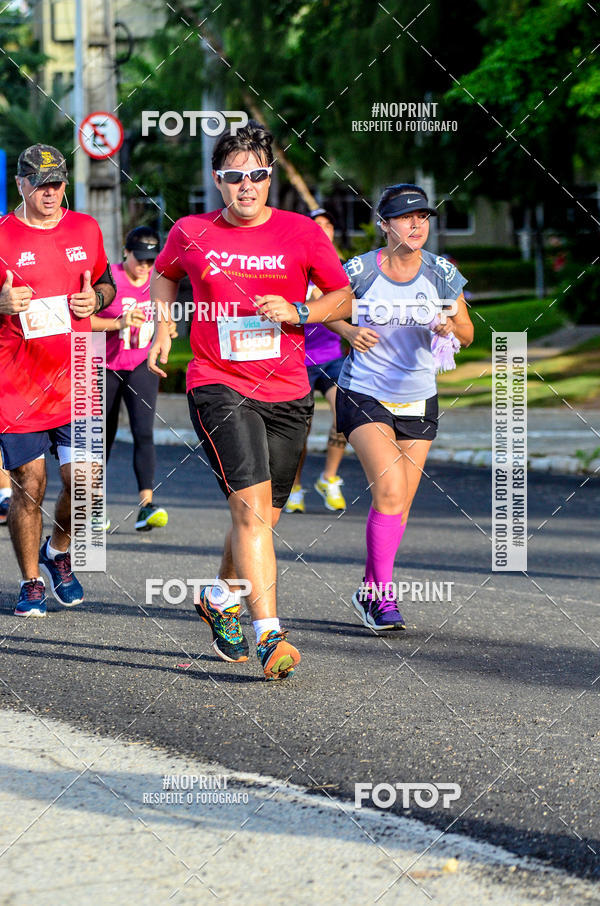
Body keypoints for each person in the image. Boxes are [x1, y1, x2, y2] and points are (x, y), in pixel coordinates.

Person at [148, 120, 352, 679]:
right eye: (235, 176)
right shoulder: (191, 231)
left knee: (262, 515)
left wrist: (301, 311)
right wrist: (164, 323)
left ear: (269, 178)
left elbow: (343, 297)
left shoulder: (301, 233)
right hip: (218, 382)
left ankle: (219, 596)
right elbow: (164, 274)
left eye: (258, 175)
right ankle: (270, 636)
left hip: (289, 390)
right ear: (218, 180)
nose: (247, 185)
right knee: (252, 511)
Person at [332, 183, 473, 631]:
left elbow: (468, 333)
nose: (417, 224)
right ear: (384, 225)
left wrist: (449, 325)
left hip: (419, 396)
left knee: (400, 505)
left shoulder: (441, 273)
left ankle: (368, 591)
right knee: (390, 491)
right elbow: (324, 309)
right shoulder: (359, 270)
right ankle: (382, 599)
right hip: (364, 391)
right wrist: (349, 331)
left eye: (423, 217)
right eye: (406, 217)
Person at [0, 144, 116, 617]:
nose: (50, 192)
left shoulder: (86, 228)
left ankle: (58, 550)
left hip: (79, 373)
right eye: (40, 183)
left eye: (57, 183)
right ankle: (31, 581)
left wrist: (98, 301)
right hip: (17, 382)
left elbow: (106, 282)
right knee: (30, 484)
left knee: (87, 486)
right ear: (21, 184)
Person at [91, 226, 173, 532]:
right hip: (105, 366)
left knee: (144, 433)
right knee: (103, 436)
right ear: (126, 252)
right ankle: (95, 506)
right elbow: (84, 321)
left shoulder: (158, 282)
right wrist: (119, 322)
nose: (145, 266)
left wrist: (167, 329)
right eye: (139, 258)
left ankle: (146, 506)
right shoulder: (108, 279)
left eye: (151, 261)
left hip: (140, 365)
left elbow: (167, 320)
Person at [285, 208, 348, 514]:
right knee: (301, 430)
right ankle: (294, 486)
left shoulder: (343, 269)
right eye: (316, 225)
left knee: (345, 415)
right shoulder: (293, 265)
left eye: (328, 224)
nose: (323, 229)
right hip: (299, 359)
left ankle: (329, 478)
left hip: (333, 357)